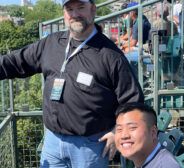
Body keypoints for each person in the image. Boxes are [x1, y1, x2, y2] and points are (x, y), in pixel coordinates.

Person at [0, 0, 144, 167]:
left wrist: (116, 132)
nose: (75, 14)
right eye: (70, 9)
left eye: (81, 7)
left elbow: (133, 102)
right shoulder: (51, 43)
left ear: (93, 9)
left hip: (90, 147)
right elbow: (15, 62)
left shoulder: (110, 55)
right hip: (52, 142)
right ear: (64, 14)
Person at [115, 103, 181, 168]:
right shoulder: (143, 162)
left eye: (132, 128)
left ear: (153, 132)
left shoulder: (166, 165)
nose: (124, 135)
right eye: (119, 129)